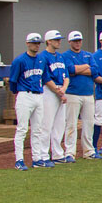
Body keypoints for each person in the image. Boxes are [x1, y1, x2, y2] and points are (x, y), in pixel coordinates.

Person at [9, 32, 47, 170]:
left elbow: (45, 77)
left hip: (38, 95)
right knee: (22, 129)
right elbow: (13, 81)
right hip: (25, 94)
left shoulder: (41, 60)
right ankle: (19, 160)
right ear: (27, 43)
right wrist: (16, 93)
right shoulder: (19, 60)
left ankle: (36, 158)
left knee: (37, 129)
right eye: (34, 42)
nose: (36, 45)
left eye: (38, 43)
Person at [62, 31, 99, 160]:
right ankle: (69, 152)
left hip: (88, 94)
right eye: (75, 41)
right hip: (72, 94)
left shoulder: (88, 55)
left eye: (79, 40)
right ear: (70, 42)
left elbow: (94, 71)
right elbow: (70, 70)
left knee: (89, 123)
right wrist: (85, 67)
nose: (78, 43)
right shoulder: (65, 55)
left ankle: (88, 151)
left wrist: (79, 70)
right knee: (71, 124)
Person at [39, 30, 71, 164]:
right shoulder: (43, 56)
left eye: (59, 39)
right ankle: (43, 155)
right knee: (46, 124)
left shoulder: (60, 56)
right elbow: (45, 77)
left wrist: (63, 90)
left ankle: (58, 154)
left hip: (60, 89)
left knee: (59, 124)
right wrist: (59, 91)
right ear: (49, 41)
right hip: (49, 91)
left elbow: (67, 76)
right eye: (56, 40)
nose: (59, 42)